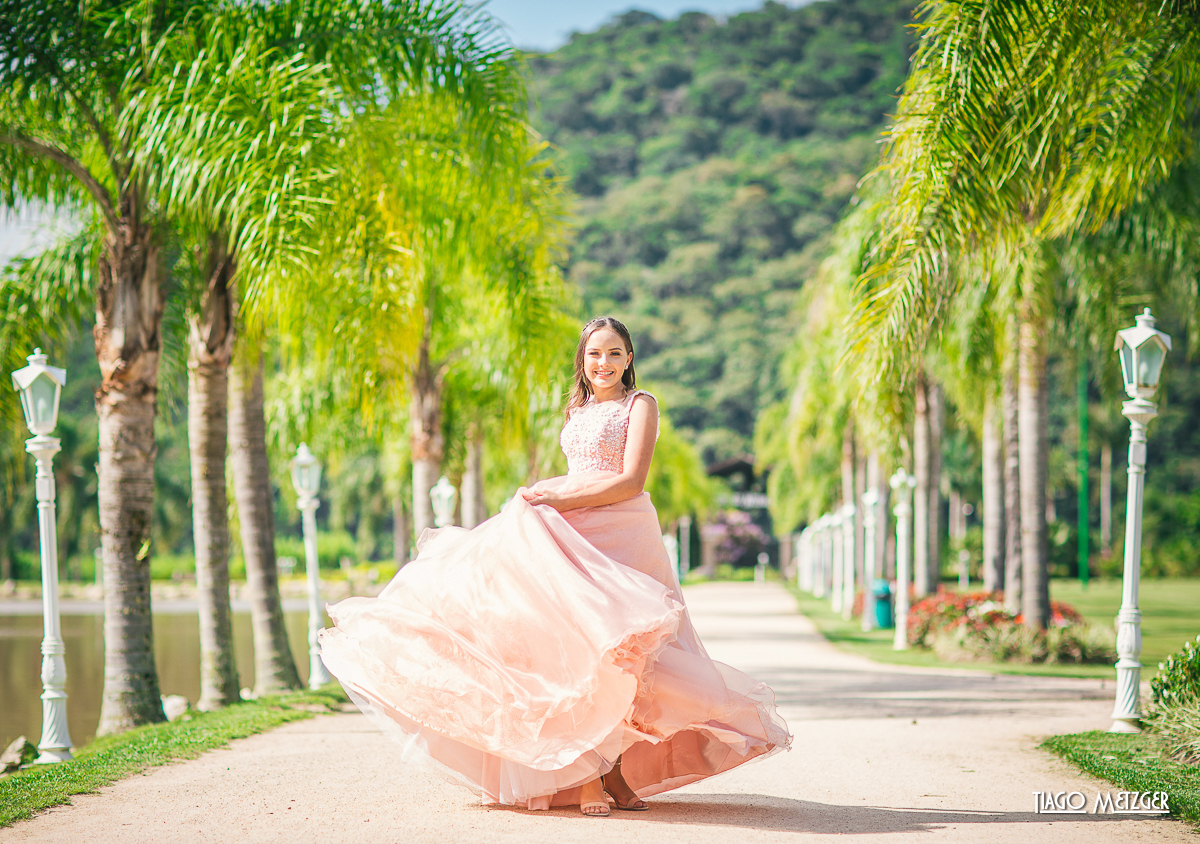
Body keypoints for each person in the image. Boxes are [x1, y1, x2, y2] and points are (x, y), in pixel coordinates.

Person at [319, 316, 791, 817]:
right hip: (572, 532)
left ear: (629, 359)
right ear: (582, 361)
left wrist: (558, 500)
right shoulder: (575, 409)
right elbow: (576, 472)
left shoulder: (640, 404)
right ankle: (588, 776)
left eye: (614, 353)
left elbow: (630, 481)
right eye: (594, 354)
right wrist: (551, 502)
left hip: (622, 533)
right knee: (572, 651)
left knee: (625, 657)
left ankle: (614, 774)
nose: (604, 363)